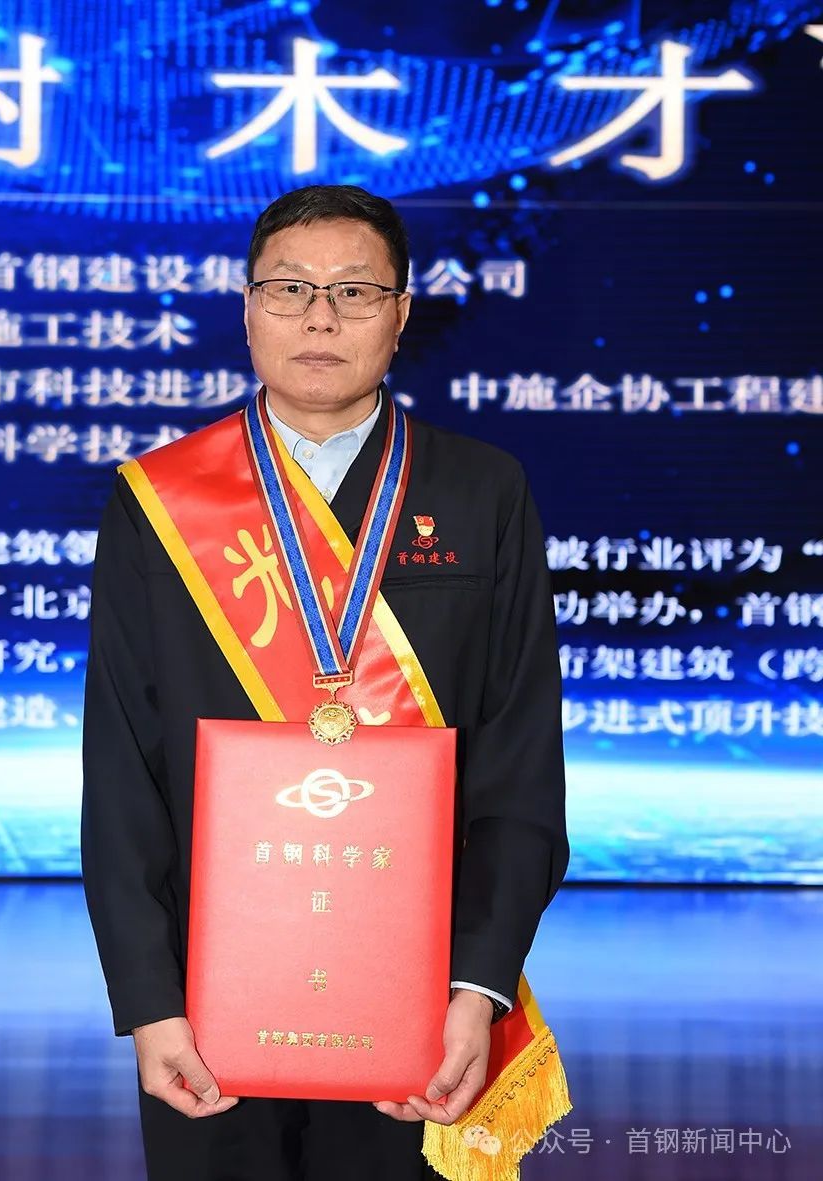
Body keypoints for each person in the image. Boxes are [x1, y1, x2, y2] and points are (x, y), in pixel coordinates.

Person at [81, 185, 569, 1181]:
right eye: (289, 288)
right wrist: (149, 1001)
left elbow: (520, 761)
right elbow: (121, 771)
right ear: (247, 308)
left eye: (353, 290)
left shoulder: (482, 491)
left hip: (420, 993)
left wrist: (475, 986)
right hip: (210, 1001)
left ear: (400, 312)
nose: (319, 317)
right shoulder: (158, 501)